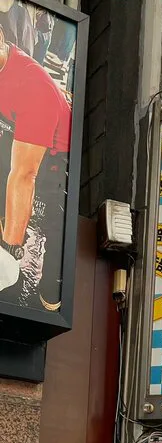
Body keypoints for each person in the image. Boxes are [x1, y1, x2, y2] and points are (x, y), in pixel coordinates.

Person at [0, 22, 72, 311]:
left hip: (58, 160)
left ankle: (41, 299)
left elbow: (24, 175)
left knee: (55, 253)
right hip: (14, 130)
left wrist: (8, 254)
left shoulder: (32, 88)